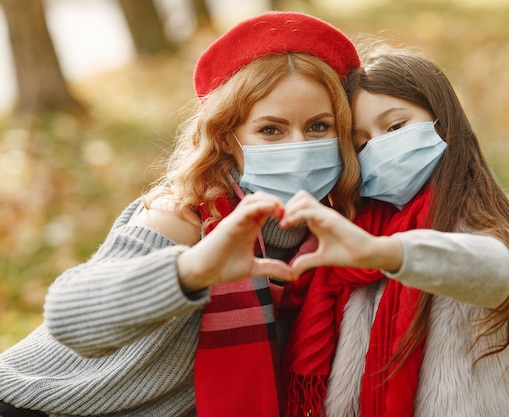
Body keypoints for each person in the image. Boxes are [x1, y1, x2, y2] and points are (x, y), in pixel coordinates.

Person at [0, 11, 363, 417]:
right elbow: (69, 315)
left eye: (317, 127)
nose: (297, 146)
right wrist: (190, 271)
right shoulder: (185, 214)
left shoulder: (331, 234)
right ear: (227, 138)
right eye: (271, 130)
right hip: (38, 406)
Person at [279, 42, 509, 417]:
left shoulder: (505, 232)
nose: (380, 147)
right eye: (362, 143)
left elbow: (496, 270)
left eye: (395, 126)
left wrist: (389, 254)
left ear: (442, 118)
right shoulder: (361, 232)